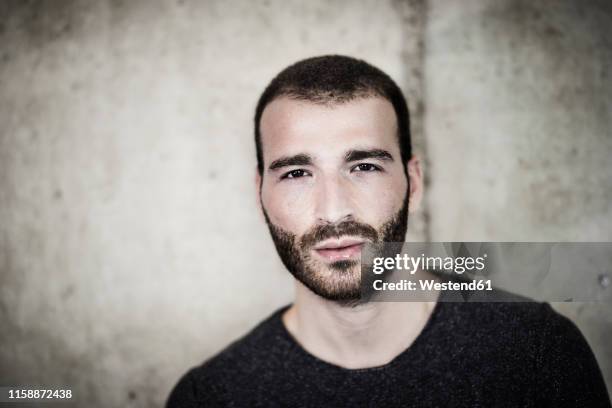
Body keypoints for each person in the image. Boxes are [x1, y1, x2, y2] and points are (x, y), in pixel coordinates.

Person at [166, 55, 611, 407]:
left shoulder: (536, 352)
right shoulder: (212, 396)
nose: (333, 209)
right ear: (258, 192)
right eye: (297, 173)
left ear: (412, 184)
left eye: (363, 167)